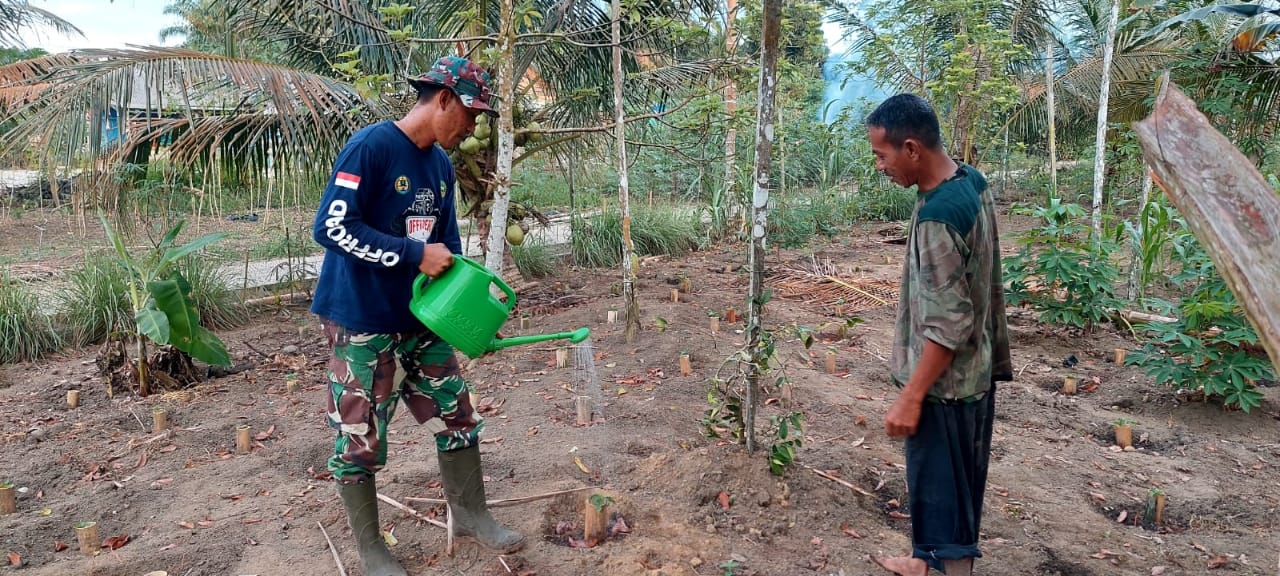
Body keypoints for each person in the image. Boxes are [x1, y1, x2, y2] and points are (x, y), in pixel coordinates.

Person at [310, 56, 523, 576]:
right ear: (443, 98)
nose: (473, 127)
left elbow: (446, 248)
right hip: (361, 320)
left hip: (421, 322)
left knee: (459, 415)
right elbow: (331, 228)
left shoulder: (440, 166)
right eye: (470, 114)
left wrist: (471, 311)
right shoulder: (373, 148)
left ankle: (473, 515)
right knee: (360, 440)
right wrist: (412, 255)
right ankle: (372, 551)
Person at [865, 94, 1013, 576]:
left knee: (946, 501)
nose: (880, 167)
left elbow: (948, 324)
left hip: (945, 388)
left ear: (911, 149)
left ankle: (945, 567)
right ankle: (922, 561)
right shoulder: (969, 182)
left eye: (881, 155)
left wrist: (912, 395)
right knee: (950, 490)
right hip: (975, 374)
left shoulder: (936, 220)